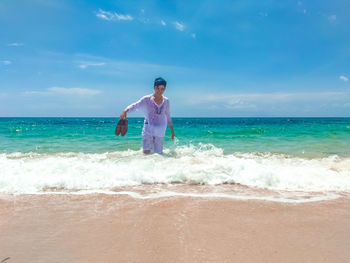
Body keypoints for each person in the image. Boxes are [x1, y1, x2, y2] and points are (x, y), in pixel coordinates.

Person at [120, 77, 175, 154]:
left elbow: (168, 116)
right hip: (148, 129)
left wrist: (172, 132)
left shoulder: (166, 101)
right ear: (154, 87)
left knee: (158, 154)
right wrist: (125, 110)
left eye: (162, 89)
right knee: (146, 152)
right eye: (158, 88)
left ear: (165, 89)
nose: (160, 91)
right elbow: (136, 105)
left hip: (160, 130)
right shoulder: (147, 99)